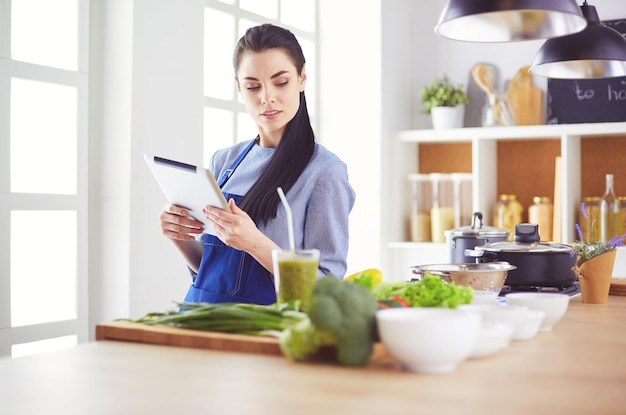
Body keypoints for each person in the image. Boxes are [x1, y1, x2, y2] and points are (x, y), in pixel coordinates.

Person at [158, 24, 356, 305]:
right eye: (253, 86)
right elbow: (213, 274)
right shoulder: (224, 161)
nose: (266, 97)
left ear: (302, 79)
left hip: (265, 330)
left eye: (281, 82)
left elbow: (325, 292)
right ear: (239, 88)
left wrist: (255, 243)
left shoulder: (325, 172)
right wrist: (179, 235)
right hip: (200, 319)